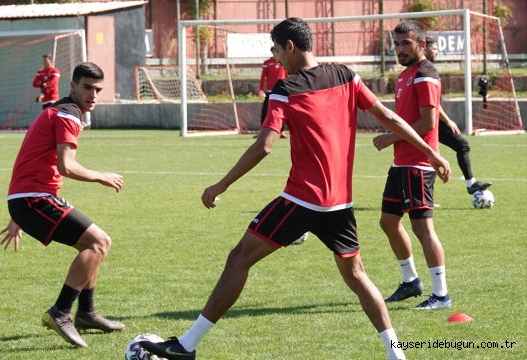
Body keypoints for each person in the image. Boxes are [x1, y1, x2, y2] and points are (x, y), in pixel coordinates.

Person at [139, 18, 450, 360]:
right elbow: (389, 118)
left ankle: (186, 346)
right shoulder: (346, 75)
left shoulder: (285, 89)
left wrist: (221, 184)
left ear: (289, 46)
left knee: (239, 258)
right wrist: (432, 152)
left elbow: (264, 146)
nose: (275, 59)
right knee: (357, 275)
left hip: (302, 199)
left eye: (275, 50)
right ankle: (396, 354)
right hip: (339, 204)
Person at [0, 62, 125, 347]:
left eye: (98, 90)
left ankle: (87, 313)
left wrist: (18, 215)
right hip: (33, 198)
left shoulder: (59, 110)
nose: (93, 95)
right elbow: (66, 166)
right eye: (87, 88)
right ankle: (61, 312)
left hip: (29, 198)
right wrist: (101, 176)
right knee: (99, 243)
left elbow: (35, 158)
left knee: (92, 246)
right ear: (73, 86)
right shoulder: (68, 115)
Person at [373, 21, 452, 310]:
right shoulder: (405, 75)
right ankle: (411, 282)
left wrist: (390, 138)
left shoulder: (425, 74)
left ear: (421, 44)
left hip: (418, 164)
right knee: (388, 222)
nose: (400, 49)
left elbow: (428, 122)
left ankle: (441, 294)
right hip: (401, 163)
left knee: (423, 229)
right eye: (396, 44)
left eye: (406, 43)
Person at [424, 36, 491, 194]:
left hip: (430, 121)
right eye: (433, 48)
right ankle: (470, 184)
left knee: (430, 155)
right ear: (424, 48)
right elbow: (431, 103)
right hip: (428, 122)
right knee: (457, 147)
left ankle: (470, 184)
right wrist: (448, 121)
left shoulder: (425, 69)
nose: (437, 51)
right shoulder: (425, 71)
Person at [258, 46, 288, 138]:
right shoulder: (267, 63)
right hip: (270, 91)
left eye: (276, 51)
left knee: (282, 112)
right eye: (274, 52)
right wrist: (260, 89)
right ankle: (262, 131)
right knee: (265, 111)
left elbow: (287, 75)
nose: (275, 54)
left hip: (281, 91)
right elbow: (263, 78)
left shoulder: (284, 62)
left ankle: (281, 131)